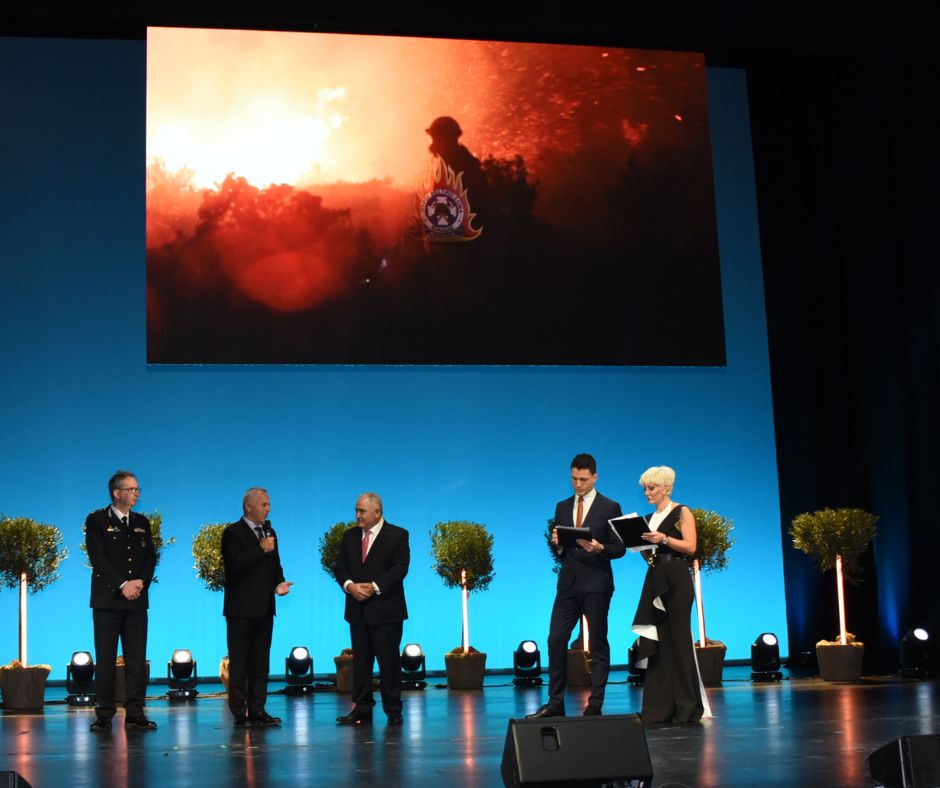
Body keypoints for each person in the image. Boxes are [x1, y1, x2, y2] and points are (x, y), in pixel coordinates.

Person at [528, 454, 625, 718]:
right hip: (568, 584)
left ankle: (595, 703)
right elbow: (561, 549)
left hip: (597, 584)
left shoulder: (610, 507)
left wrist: (600, 547)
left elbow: (619, 548)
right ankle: (555, 702)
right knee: (556, 639)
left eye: (583, 479)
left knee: (597, 642)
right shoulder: (562, 507)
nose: (578, 484)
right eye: (574, 479)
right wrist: (557, 544)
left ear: (595, 477)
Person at [631, 466, 708, 724]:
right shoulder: (648, 519)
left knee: (679, 642)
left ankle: (687, 707)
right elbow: (648, 554)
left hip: (676, 578)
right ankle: (659, 708)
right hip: (655, 579)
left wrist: (664, 539)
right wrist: (639, 544)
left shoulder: (681, 512)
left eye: (651, 488)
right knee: (659, 644)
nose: (647, 493)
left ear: (665, 488)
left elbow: (691, 546)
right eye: (645, 488)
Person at [85, 470, 157, 732]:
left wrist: (140, 583)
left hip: (136, 601)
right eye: (131, 489)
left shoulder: (142, 522)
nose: (136, 493)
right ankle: (104, 714)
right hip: (107, 602)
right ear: (116, 493)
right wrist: (123, 585)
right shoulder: (97, 520)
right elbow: (98, 558)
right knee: (105, 660)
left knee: (136, 660)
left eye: (137, 489)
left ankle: (136, 713)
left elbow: (150, 557)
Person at [335, 493, 410, 726]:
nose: (357, 515)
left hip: (387, 611)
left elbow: (400, 568)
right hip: (357, 610)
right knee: (361, 662)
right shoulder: (349, 536)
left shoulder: (398, 535)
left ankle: (393, 709)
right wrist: (350, 586)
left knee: (389, 662)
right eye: (356, 510)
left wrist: (374, 587)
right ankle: (362, 708)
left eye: (362, 511)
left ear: (377, 512)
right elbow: (340, 567)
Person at [222, 487, 293, 727]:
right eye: (264, 504)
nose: (268, 509)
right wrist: (260, 548)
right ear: (248, 506)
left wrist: (279, 583)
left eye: (269, 504)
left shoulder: (270, 532)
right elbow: (235, 565)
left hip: (264, 608)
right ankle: (239, 712)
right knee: (240, 663)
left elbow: (275, 564)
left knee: (260, 663)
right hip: (240, 610)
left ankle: (258, 709)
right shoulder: (233, 533)